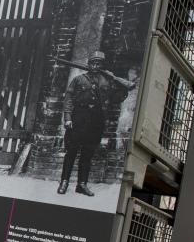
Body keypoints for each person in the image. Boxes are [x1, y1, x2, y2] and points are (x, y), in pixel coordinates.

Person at [58, 51, 136, 196]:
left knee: (87, 154)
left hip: (96, 121)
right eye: (93, 63)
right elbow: (68, 99)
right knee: (71, 152)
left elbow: (115, 99)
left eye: (98, 63)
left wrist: (123, 86)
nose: (95, 65)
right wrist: (68, 118)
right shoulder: (79, 80)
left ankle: (82, 184)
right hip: (78, 118)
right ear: (89, 64)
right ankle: (64, 182)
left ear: (101, 65)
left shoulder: (107, 81)